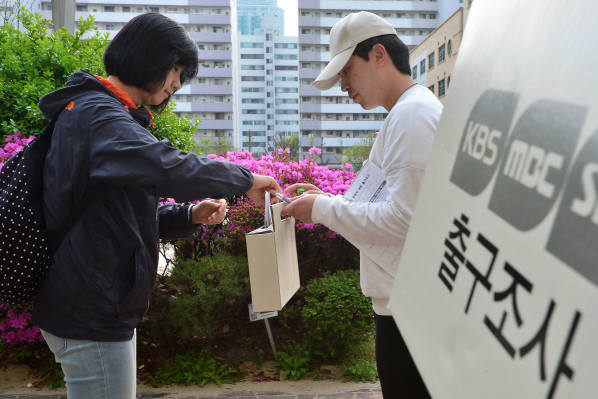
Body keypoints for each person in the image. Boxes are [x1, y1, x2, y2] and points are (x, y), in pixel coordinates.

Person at [30, 13, 281, 398]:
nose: (177, 84)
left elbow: (112, 216)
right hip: (91, 308)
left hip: (93, 300)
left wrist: (186, 215)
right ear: (148, 59)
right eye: (175, 70)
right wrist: (245, 180)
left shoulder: (100, 113)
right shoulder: (100, 116)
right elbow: (167, 165)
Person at [282, 11, 442, 399]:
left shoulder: (413, 115)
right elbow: (392, 206)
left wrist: (320, 210)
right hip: (404, 307)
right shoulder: (406, 112)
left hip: (410, 313)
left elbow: (404, 218)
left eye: (347, 72)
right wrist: (327, 201)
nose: (344, 88)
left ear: (379, 55)